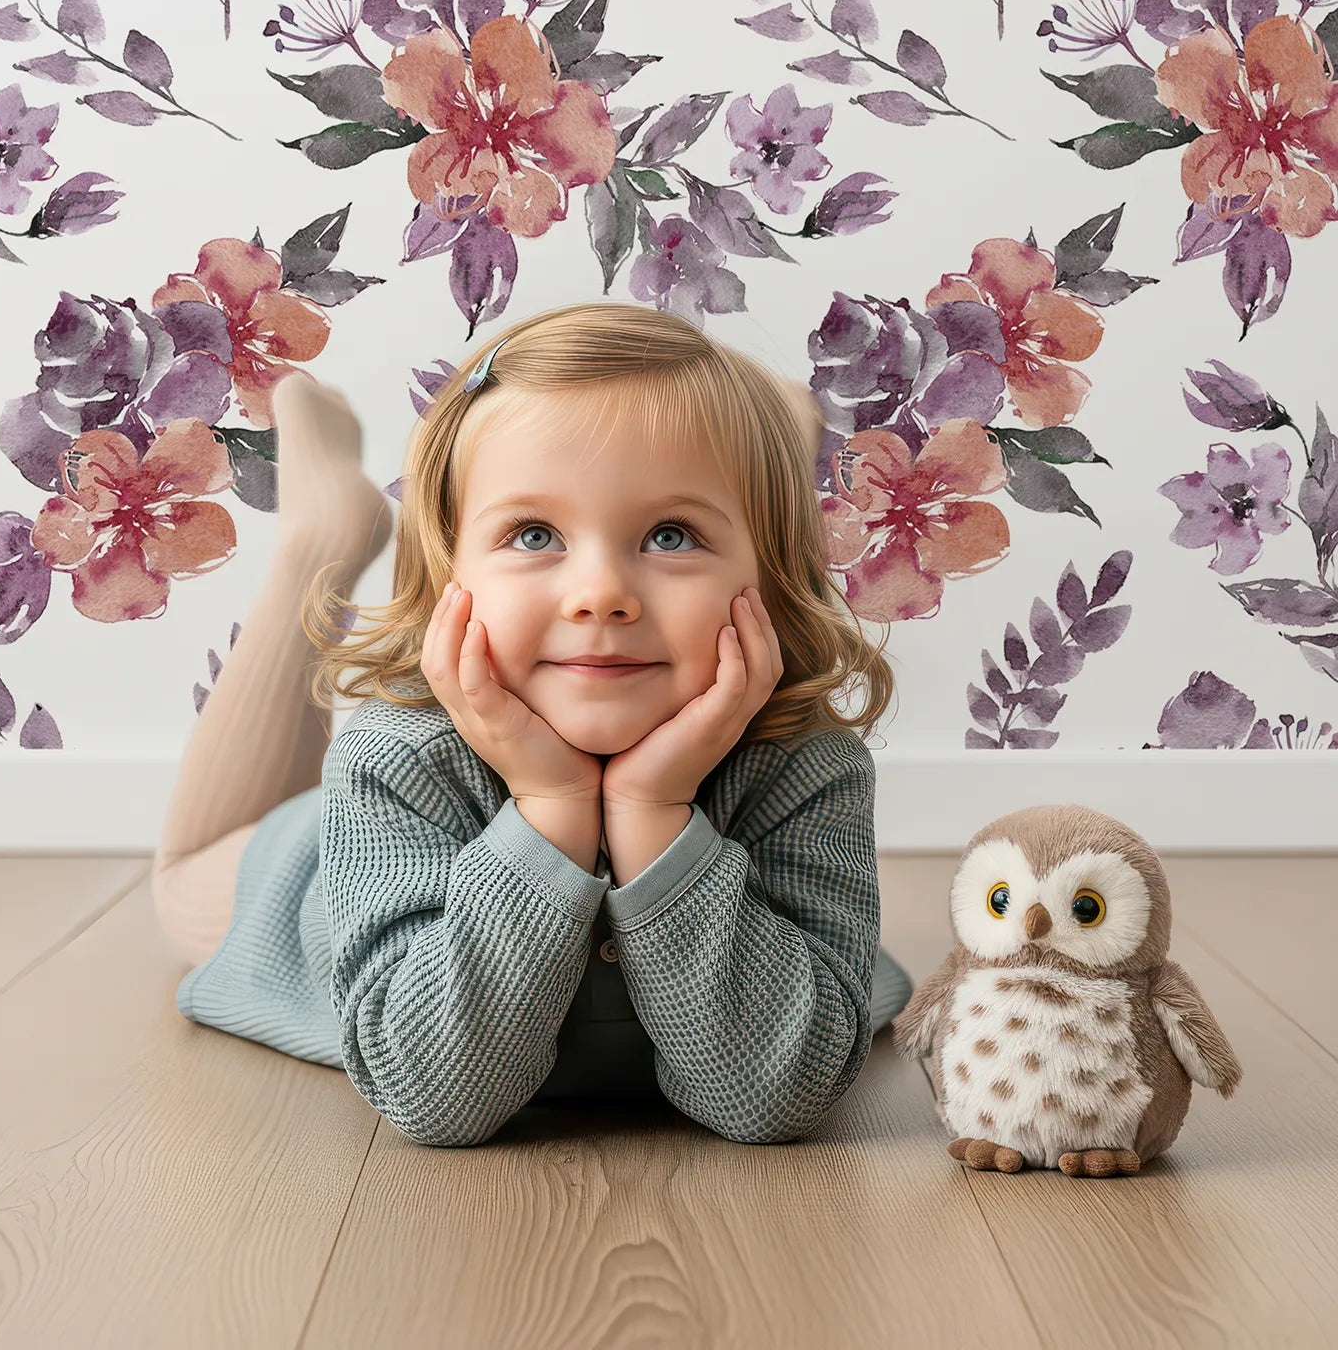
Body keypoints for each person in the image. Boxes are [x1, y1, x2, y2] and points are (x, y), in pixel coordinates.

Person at [151, 300, 913, 1148]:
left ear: (769, 578)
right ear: (451, 571)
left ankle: (770, 448)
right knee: (184, 877)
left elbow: (776, 1096)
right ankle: (321, 536)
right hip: (313, 879)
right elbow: (434, 1099)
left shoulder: (805, 764)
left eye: (671, 534)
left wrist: (653, 815)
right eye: (535, 532)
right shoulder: (397, 756)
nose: (601, 594)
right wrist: (550, 803)